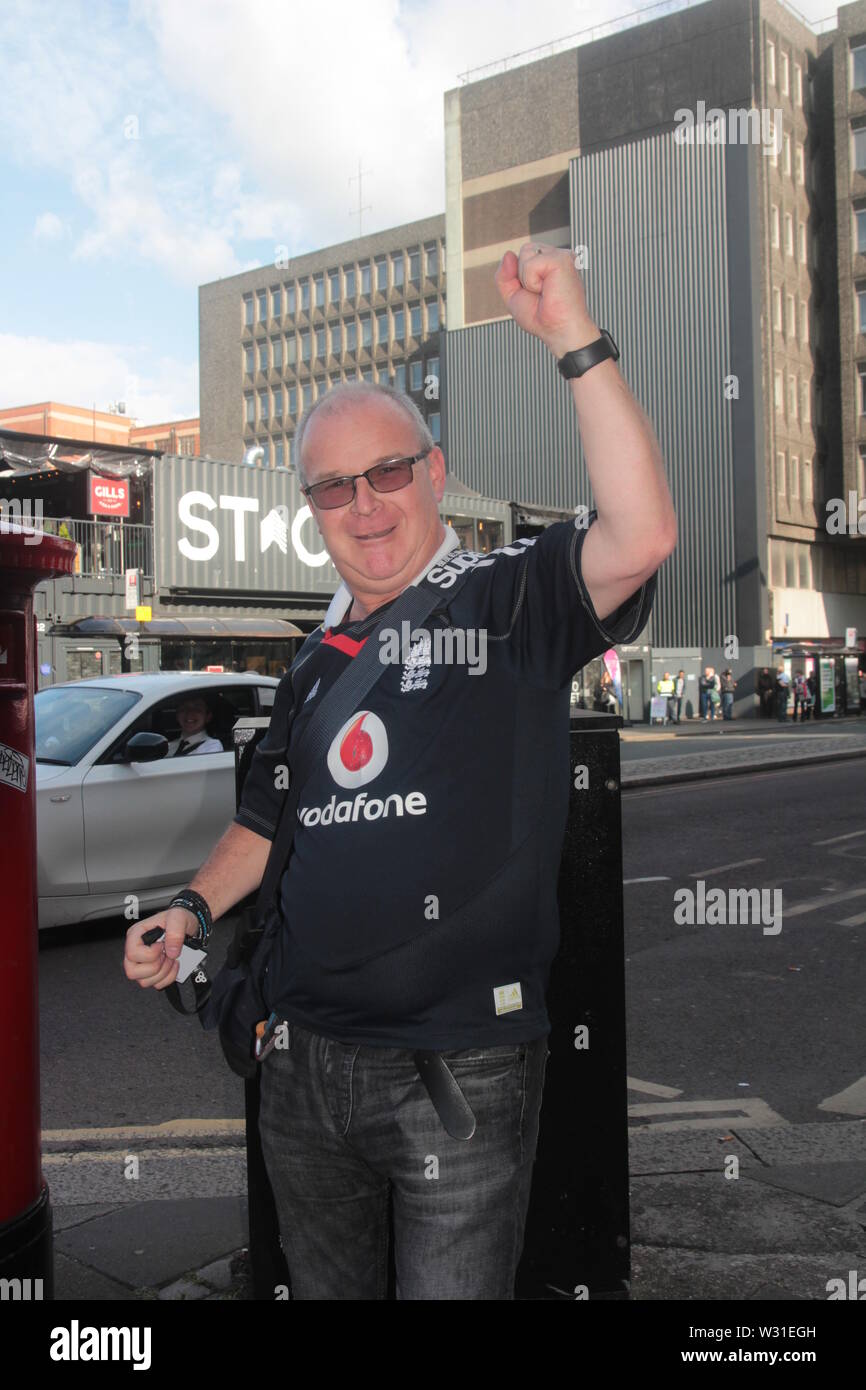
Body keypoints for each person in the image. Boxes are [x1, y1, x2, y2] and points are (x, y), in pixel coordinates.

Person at [123, 241, 676, 1301]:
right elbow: (266, 820)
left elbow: (641, 531)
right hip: (298, 1063)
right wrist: (189, 911)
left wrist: (571, 337)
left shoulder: (503, 604)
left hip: (454, 1072)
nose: (365, 507)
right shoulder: (315, 660)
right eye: (334, 488)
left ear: (430, 472)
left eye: (386, 473)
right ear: (310, 506)